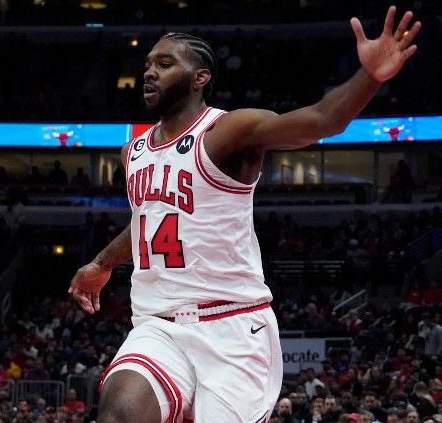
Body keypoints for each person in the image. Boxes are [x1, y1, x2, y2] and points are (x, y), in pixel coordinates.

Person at [68, 6, 420, 422]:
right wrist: (101, 263)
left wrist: (371, 76)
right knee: (116, 414)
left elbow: (322, 120)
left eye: (165, 63)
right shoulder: (135, 152)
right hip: (159, 324)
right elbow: (147, 217)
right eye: (147, 64)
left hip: (232, 326)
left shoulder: (227, 131)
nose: (149, 72)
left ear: (201, 78)